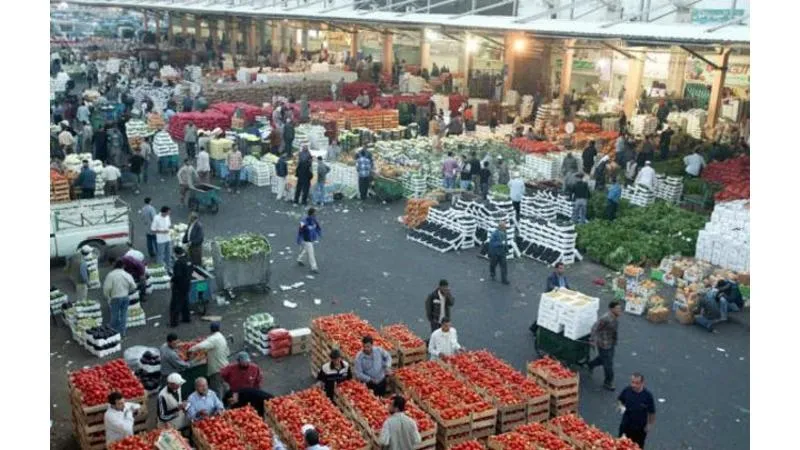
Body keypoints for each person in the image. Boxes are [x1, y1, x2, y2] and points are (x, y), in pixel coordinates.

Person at [587, 301, 623, 391]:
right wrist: (592, 340)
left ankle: (591, 364)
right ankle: (608, 382)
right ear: (611, 309)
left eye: (620, 308)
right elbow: (594, 328)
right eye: (617, 308)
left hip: (611, 343)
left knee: (604, 359)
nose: (619, 310)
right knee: (608, 364)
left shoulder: (615, 317)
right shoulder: (605, 318)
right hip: (603, 344)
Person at [190, 322, 230, 397]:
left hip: (217, 369)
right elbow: (227, 352)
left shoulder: (213, 339)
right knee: (224, 385)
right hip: (225, 366)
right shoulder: (221, 337)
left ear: (211, 330)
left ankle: (219, 403)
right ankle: (228, 399)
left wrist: (191, 349)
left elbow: (201, 346)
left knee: (216, 389)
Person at [617, 373, 656, 448]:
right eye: (632, 382)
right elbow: (620, 400)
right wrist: (620, 406)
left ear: (642, 383)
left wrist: (649, 424)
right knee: (621, 445)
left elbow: (652, 412)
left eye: (637, 383)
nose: (634, 385)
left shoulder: (648, 396)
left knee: (637, 447)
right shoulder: (627, 390)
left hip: (640, 429)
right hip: (625, 426)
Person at [102, 259, 137, 337]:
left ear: (114, 266)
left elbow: (107, 288)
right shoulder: (127, 274)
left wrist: (107, 296)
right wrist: (128, 291)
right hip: (125, 297)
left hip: (115, 297)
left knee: (115, 315)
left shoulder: (111, 275)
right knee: (124, 314)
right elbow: (133, 286)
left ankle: (114, 331)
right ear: (123, 266)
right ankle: (122, 331)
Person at [169, 247, 192, 327]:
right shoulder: (188, 259)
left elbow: (177, 276)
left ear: (176, 254)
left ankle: (174, 322)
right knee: (185, 302)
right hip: (187, 284)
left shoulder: (178, 263)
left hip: (179, 286)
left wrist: (172, 281)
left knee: (175, 304)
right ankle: (186, 318)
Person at [297, 207, 322, 273]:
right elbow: (300, 231)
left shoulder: (314, 220)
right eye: (314, 213)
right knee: (311, 253)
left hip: (311, 238)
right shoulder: (304, 221)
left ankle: (300, 259)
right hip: (307, 239)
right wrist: (299, 239)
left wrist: (319, 233)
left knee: (306, 250)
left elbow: (318, 227)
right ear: (311, 213)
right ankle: (314, 267)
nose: (316, 214)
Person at [151, 206, 173, 271]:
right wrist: (163, 231)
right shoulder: (156, 218)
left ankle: (168, 267)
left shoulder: (167, 217)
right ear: (164, 212)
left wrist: (171, 229)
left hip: (168, 238)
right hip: (161, 240)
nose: (169, 214)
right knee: (160, 254)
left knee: (168, 253)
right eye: (168, 213)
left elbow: (169, 225)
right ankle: (160, 269)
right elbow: (153, 230)